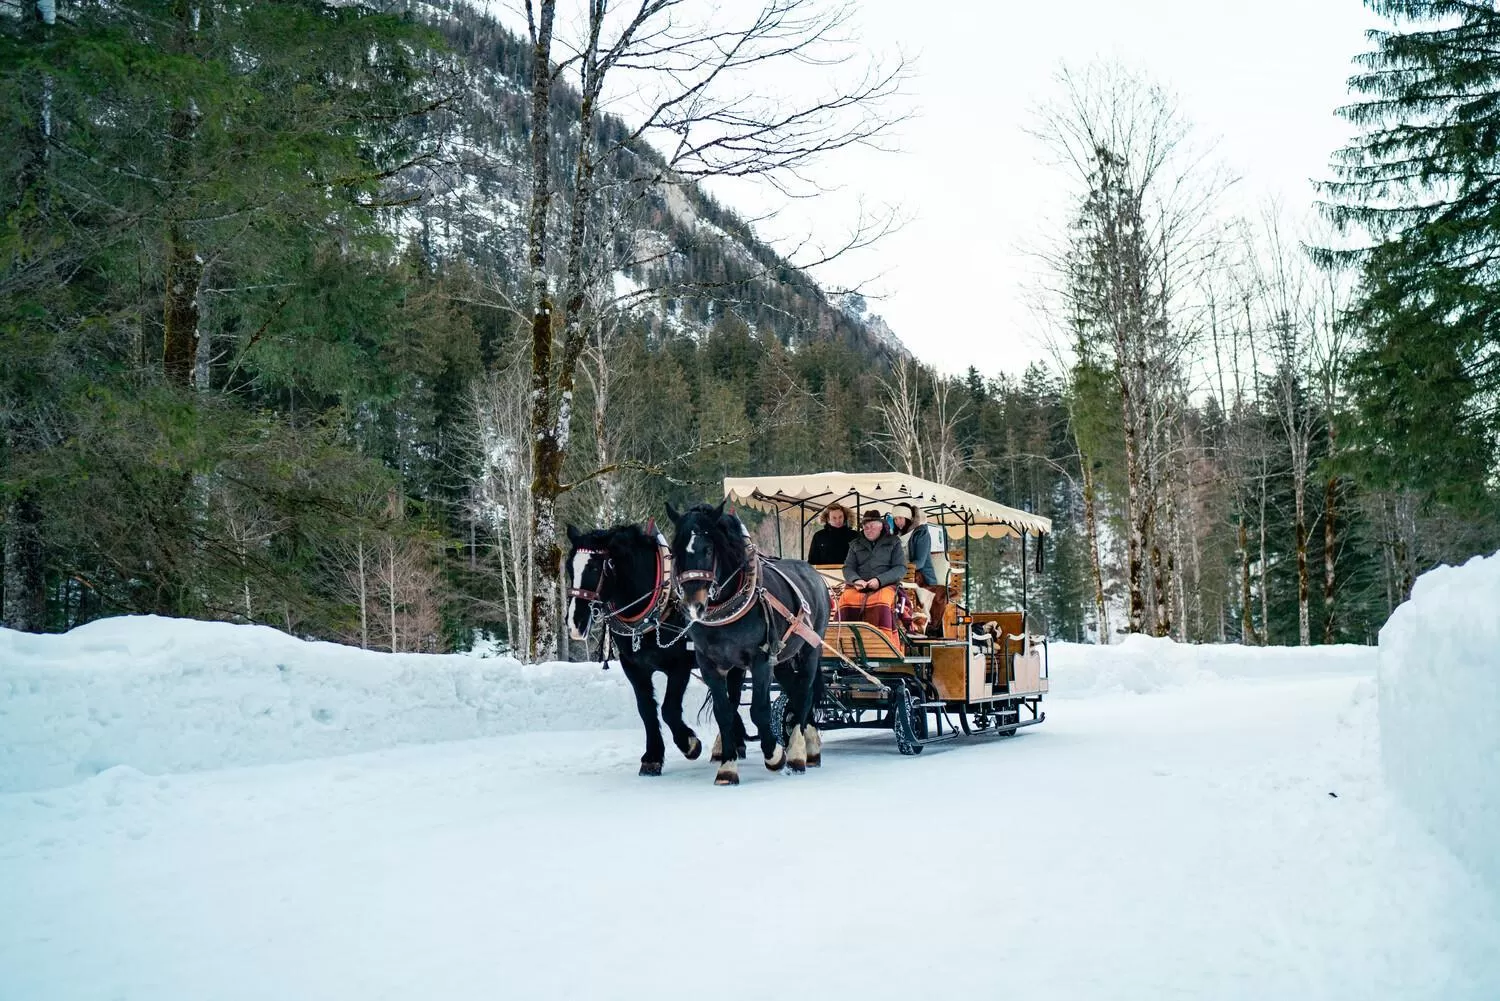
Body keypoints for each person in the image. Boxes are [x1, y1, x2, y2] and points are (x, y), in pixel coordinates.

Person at [838, 508, 906, 630]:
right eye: (866, 527)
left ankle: (883, 639)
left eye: (872, 526)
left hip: (885, 585)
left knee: (882, 601)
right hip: (860, 586)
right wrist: (856, 580)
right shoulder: (855, 544)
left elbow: (900, 568)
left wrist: (879, 581)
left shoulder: (894, 542)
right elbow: (848, 567)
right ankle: (845, 638)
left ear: (881, 527)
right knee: (845, 599)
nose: (869, 530)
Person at [892, 502, 948, 637]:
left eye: (901, 518)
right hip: (900, 575)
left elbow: (920, 562)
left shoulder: (921, 533)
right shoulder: (895, 536)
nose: (898, 522)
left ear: (908, 518)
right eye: (895, 519)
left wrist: (898, 570)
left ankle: (919, 622)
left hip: (921, 575)